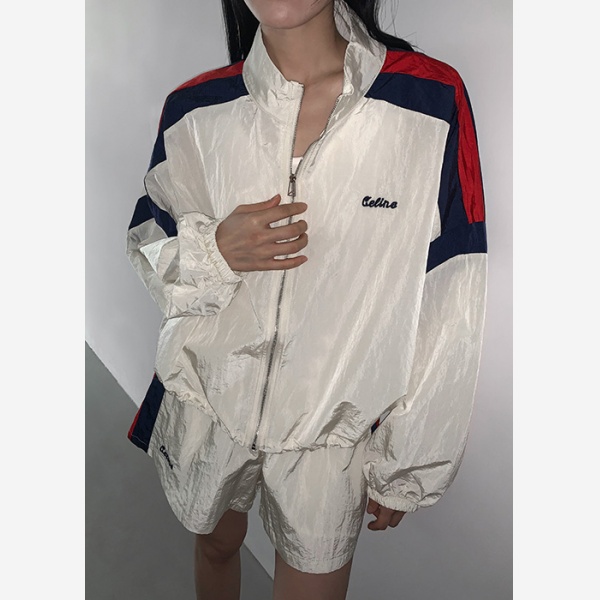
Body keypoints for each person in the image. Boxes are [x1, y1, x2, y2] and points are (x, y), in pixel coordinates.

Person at [125, 0, 487, 598]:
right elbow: (147, 244)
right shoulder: (195, 109)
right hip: (209, 404)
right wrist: (215, 250)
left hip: (331, 432)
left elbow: (453, 286)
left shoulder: (427, 101)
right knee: (215, 545)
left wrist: (410, 458)